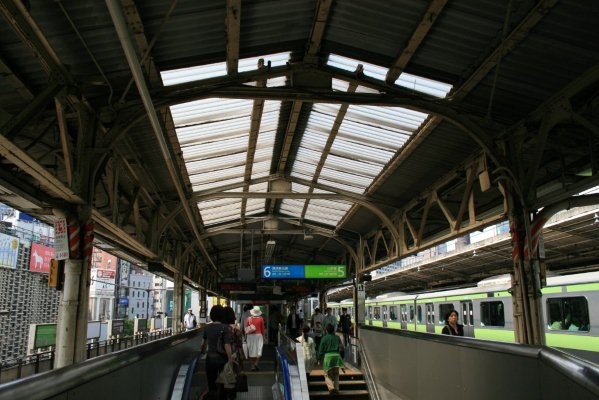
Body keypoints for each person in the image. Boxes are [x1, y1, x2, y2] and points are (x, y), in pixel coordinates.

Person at [201, 305, 235, 399]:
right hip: (222, 359)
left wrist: (203, 351)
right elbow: (227, 345)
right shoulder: (226, 327)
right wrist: (230, 360)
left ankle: (213, 396)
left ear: (212, 315)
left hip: (210, 359)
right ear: (222, 315)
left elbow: (203, 344)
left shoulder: (207, 328)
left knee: (211, 384)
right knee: (223, 383)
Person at [318, 323, 345, 395]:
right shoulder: (337, 337)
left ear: (326, 330)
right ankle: (337, 389)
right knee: (336, 374)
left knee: (327, 375)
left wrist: (319, 359)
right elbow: (342, 348)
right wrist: (342, 357)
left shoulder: (324, 338)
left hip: (328, 357)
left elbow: (320, 350)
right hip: (336, 357)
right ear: (333, 330)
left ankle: (331, 389)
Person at [245, 305, 266, 371]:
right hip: (258, 336)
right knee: (259, 351)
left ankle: (252, 366)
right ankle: (256, 364)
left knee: (251, 351)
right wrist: (264, 337)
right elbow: (262, 329)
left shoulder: (249, 319)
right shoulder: (261, 319)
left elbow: (246, 329)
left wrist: (245, 337)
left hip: (250, 336)